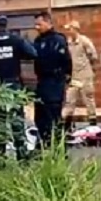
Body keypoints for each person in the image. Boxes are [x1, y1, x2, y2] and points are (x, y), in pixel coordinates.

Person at [31, 11, 72, 146]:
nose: (37, 27)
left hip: (54, 82)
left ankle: (58, 146)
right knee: (40, 117)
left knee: (53, 116)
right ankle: (42, 144)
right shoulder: (38, 41)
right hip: (42, 82)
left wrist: (64, 80)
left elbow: (66, 62)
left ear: (48, 23)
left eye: (39, 24)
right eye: (35, 25)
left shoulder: (58, 39)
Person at [63, 21, 99, 126]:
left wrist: (90, 68)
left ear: (75, 29)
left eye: (70, 29)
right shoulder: (68, 43)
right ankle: (67, 124)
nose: (68, 32)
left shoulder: (84, 41)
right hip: (74, 76)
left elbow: (93, 56)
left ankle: (92, 122)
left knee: (88, 99)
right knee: (70, 100)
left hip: (85, 75)